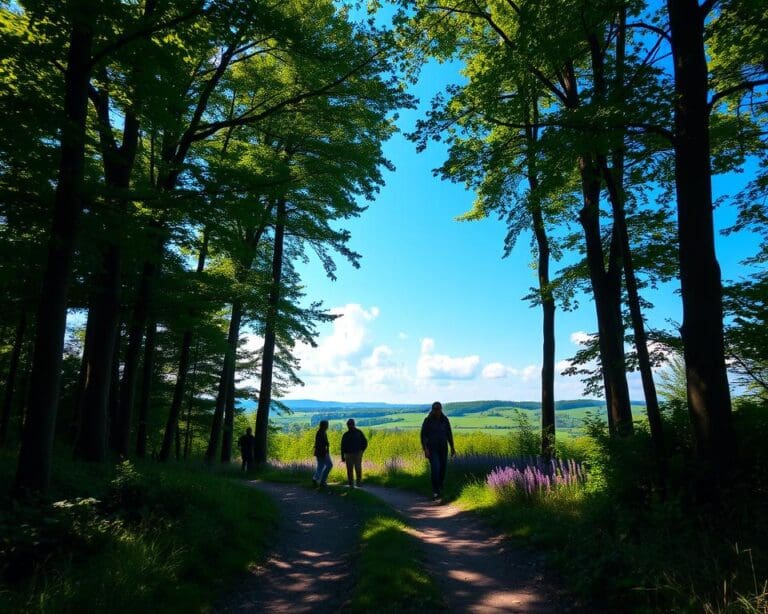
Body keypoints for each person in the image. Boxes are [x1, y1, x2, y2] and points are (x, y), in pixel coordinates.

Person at [421, 401, 456, 500]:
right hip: (432, 449)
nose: (437, 411)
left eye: (438, 409)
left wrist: (452, 447)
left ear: (441, 409)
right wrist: (425, 449)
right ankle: (435, 491)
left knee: (443, 469)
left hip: (443, 448)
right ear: (432, 410)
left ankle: (440, 487)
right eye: (435, 409)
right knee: (435, 468)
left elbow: (449, 434)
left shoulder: (445, 420)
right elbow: (423, 435)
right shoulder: (427, 420)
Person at [340, 418, 368, 487]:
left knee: (357, 468)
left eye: (350, 425)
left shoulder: (358, 432)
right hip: (348, 454)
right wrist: (343, 457)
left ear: (353, 424)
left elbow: (365, 442)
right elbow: (342, 446)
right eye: (348, 425)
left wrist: (362, 451)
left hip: (357, 453)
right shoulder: (346, 434)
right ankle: (351, 483)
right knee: (350, 470)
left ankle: (358, 482)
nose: (349, 426)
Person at [312, 420, 333, 487]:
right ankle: (322, 481)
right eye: (327, 425)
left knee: (320, 466)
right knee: (329, 465)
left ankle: (315, 478)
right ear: (324, 425)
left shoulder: (320, 432)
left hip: (319, 452)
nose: (328, 426)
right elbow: (322, 444)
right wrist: (326, 452)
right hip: (323, 452)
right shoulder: (322, 433)